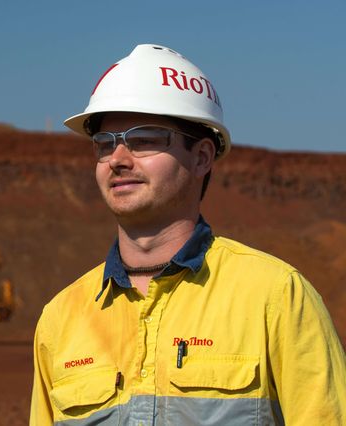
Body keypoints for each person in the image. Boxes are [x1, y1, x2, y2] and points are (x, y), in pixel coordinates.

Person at [29, 44, 346, 425]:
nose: (118, 159)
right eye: (104, 144)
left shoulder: (275, 297)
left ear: (202, 157)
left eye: (145, 139)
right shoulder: (61, 318)